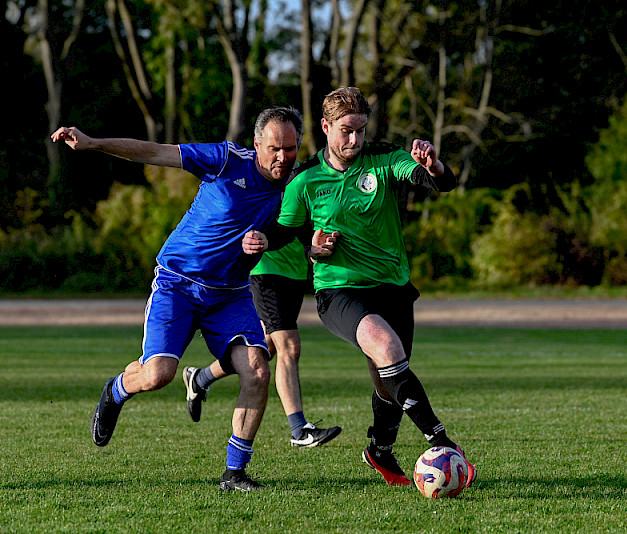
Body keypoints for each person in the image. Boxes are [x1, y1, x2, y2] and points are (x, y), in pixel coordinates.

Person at [50, 106, 305, 491]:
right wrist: (93, 144)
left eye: (290, 149)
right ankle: (115, 390)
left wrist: (280, 241)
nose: (282, 158)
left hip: (230, 295)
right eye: (274, 148)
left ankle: (234, 473)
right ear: (256, 144)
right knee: (158, 375)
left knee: (257, 370)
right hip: (178, 284)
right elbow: (152, 152)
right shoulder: (224, 160)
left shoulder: (295, 184)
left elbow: (295, 224)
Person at [242, 87, 476, 487]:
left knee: (387, 375)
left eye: (361, 131)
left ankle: (379, 449)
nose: (354, 140)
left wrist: (434, 166)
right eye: (346, 131)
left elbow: (441, 183)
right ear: (325, 127)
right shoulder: (307, 180)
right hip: (338, 290)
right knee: (387, 348)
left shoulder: (385, 159)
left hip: (394, 288)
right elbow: (285, 230)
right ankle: (442, 440)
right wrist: (268, 240)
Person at [182, 234, 342, 448]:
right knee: (289, 346)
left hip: (294, 271)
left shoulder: (304, 198)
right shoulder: (264, 198)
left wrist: (313, 249)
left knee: (264, 347)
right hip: (266, 272)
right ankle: (299, 430)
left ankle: (201, 378)